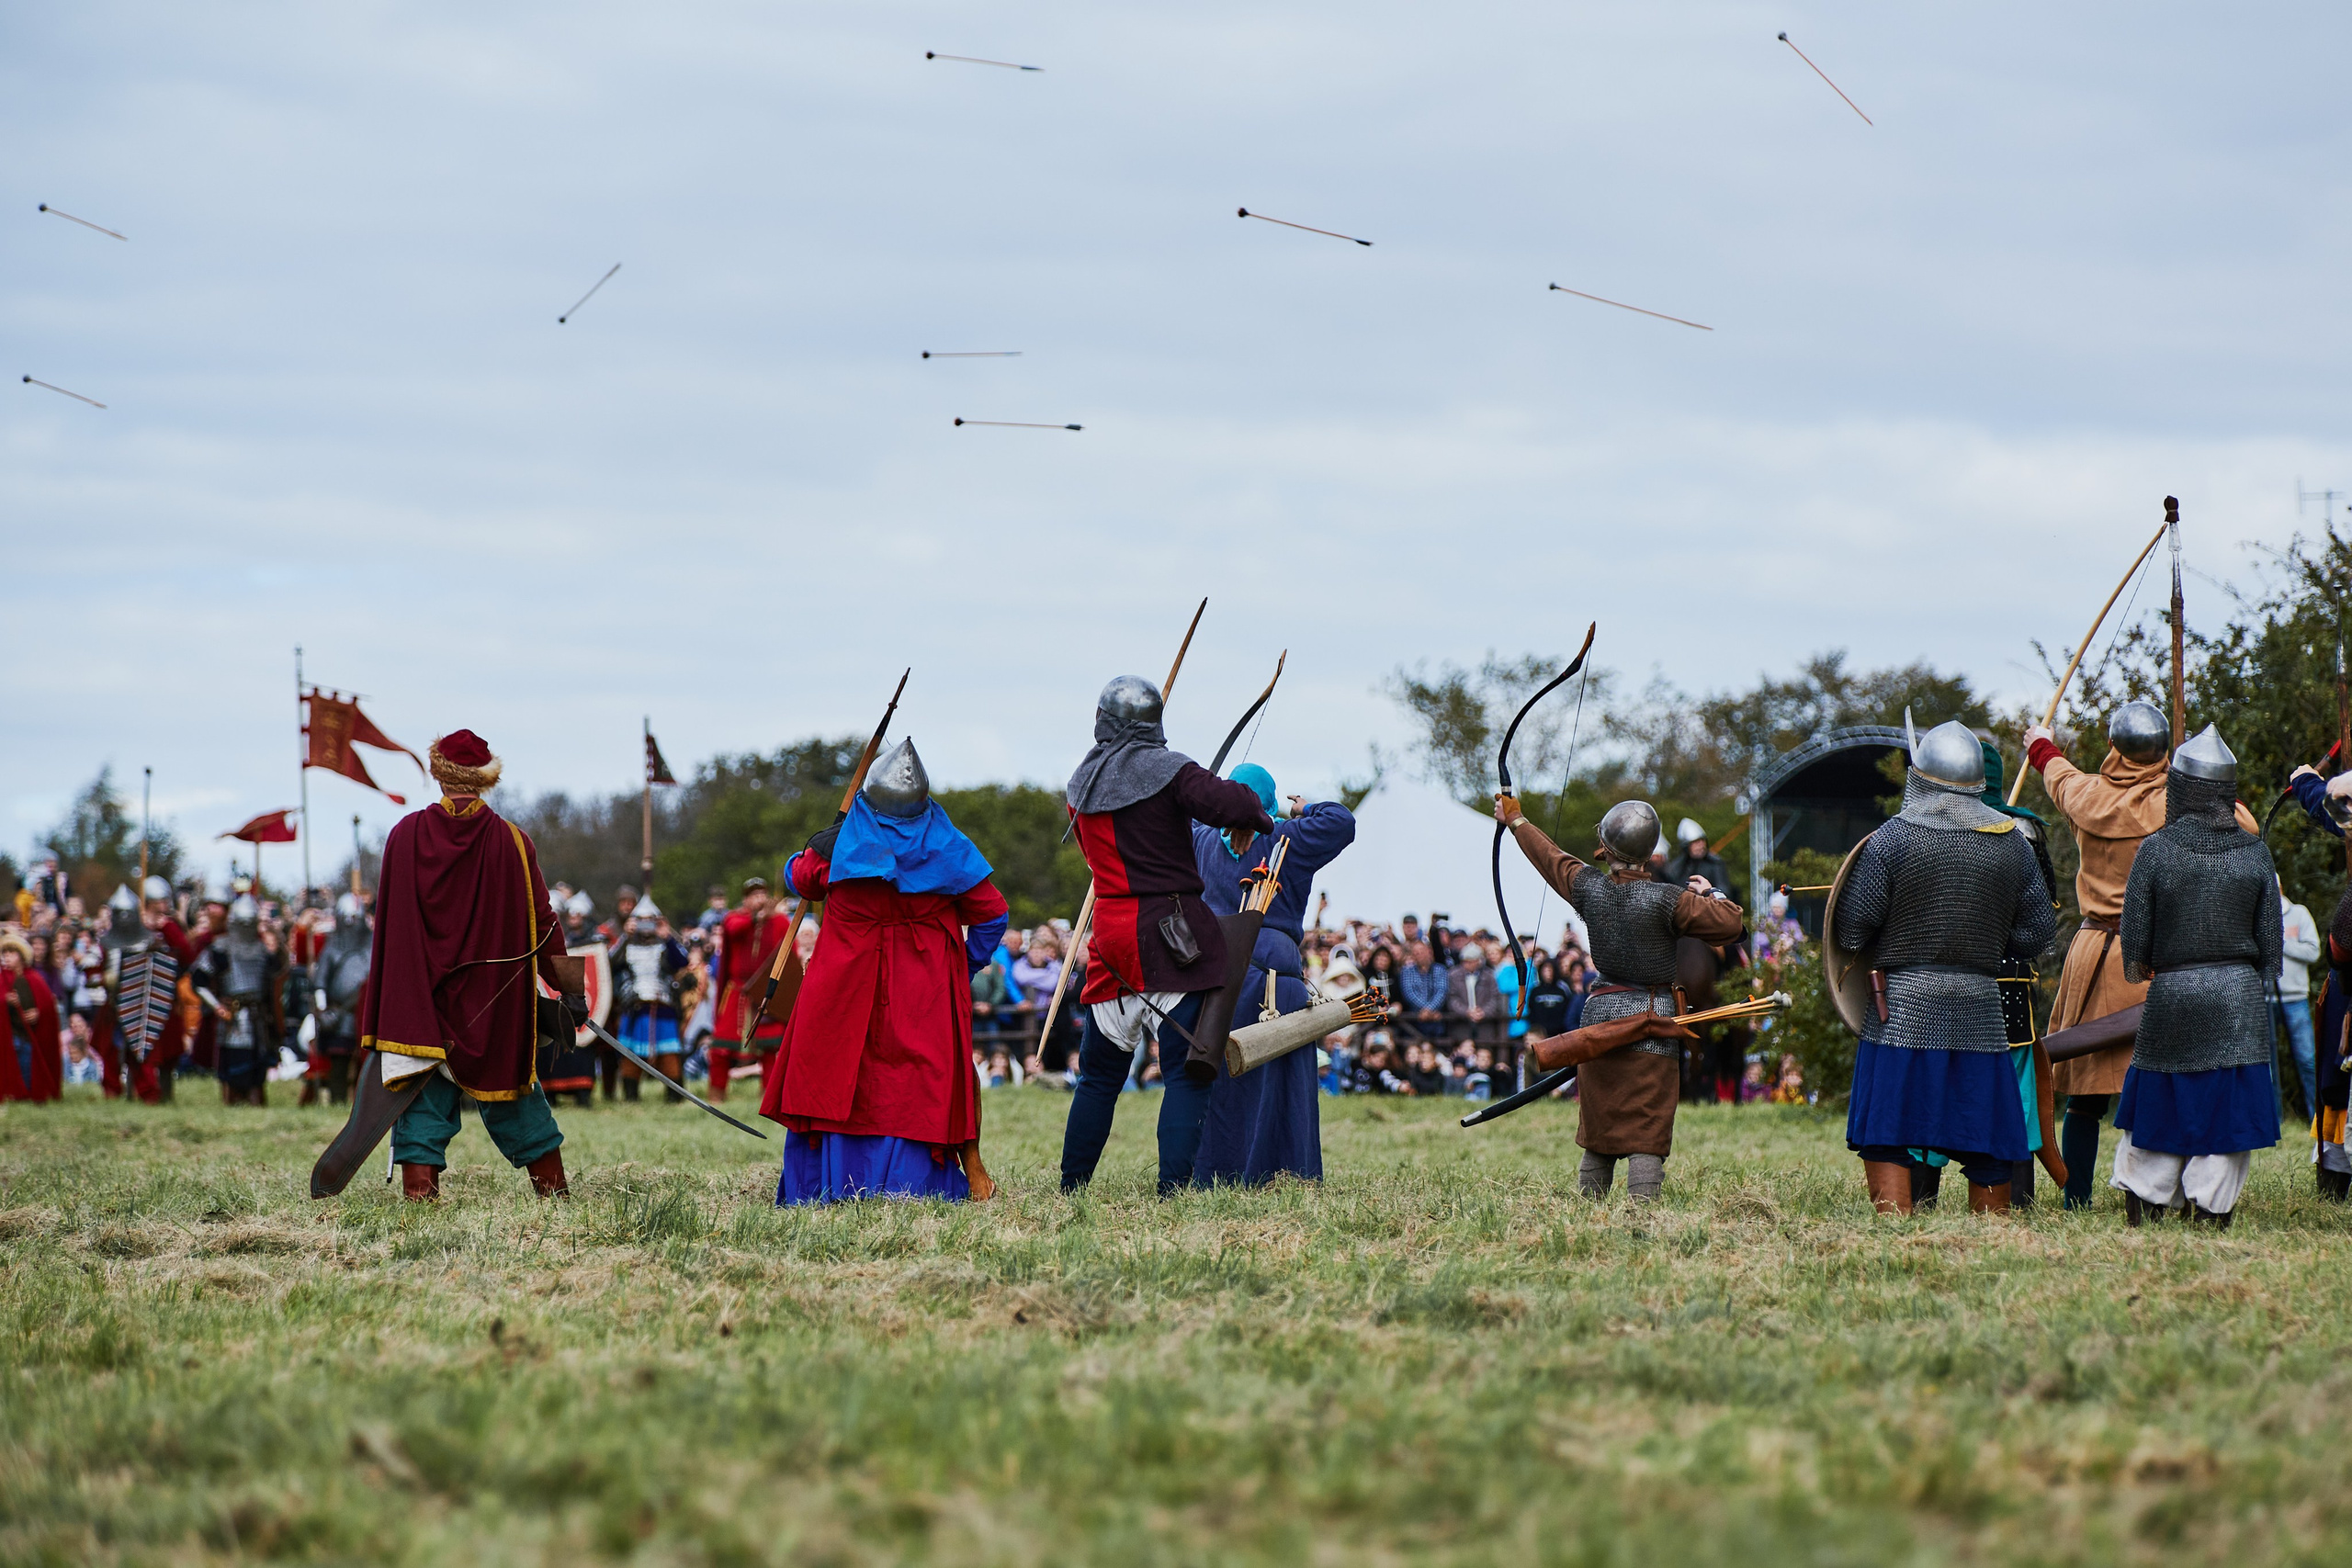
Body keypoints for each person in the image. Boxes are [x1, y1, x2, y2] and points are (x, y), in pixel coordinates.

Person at [761, 739, 1009, 1202]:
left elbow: (799, 876)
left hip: (843, 984)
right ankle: (911, 1187)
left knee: (844, 1075)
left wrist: (815, 847)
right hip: (924, 987)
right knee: (914, 1081)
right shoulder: (947, 846)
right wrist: (961, 965)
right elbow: (993, 915)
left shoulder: (838, 848)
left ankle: (832, 1185)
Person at [1057, 674, 1272, 1195]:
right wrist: (1252, 818)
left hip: (1111, 934)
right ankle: (1172, 1191)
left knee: (1098, 1078)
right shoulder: (1169, 770)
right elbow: (1241, 805)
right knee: (1186, 1073)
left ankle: (1072, 1187)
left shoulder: (1081, 782)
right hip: (1171, 935)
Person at [1837, 716, 2056, 1215]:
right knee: (1988, 1134)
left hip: (1903, 1005)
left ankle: (1894, 1227)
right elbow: (2037, 933)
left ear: (1921, 777)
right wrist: (1990, 934)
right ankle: (1991, 1232)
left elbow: (1851, 933)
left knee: (1889, 1130)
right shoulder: (2012, 844)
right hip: (1979, 1004)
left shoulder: (1893, 839)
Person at [1494, 793, 1745, 1201]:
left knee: (1600, 1128)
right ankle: (1642, 1216)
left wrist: (1517, 819)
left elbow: (1550, 857)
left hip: (1601, 1019)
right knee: (1647, 1129)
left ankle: (1588, 1213)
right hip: (1654, 1018)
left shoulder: (1589, 887)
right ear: (1649, 853)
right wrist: (1711, 893)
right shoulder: (1669, 898)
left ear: (1605, 849)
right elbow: (1732, 924)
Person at [363, 730, 581, 1201]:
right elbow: (544, 923)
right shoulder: (513, 841)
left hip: (423, 1003)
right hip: (493, 1004)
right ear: (485, 779)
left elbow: (391, 927)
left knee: (422, 1102)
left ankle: (420, 1204)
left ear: (438, 775)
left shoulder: (404, 836)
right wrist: (571, 989)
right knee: (515, 1096)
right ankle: (555, 1198)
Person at [2107, 727, 2280, 1226]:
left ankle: (2147, 1202)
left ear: (2180, 788)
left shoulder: (2157, 850)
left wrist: (2147, 967)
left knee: (2162, 1103)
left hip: (2175, 993)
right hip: (2236, 996)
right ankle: (2210, 1209)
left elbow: (2135, 942)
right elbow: (2270, 947)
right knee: (2225, 1110)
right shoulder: (2254, 852)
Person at [2023, 701, 2192, 1207]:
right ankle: (2157, 1195)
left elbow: (2057, 773)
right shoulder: (2181, 802)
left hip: (2098, 952)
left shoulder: (2086, 795)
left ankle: (2077, 1198)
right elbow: (2241, 825)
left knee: (2086, 1094)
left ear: (2114, 747)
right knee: (2162, 1080)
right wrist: (2194, 777)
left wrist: (2040, 744)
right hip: (2158, 955)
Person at [1187, 764, 1357, 1186]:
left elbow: (1182, 818)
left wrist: (1209, 799)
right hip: (1274, 979)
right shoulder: (1285, 837)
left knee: (1224, 1077)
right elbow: (1341, 821)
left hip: (1217, 973)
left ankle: (1218, 1173)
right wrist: (1303, 808)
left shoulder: (1202, 838)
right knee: (1280, 1079)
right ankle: (1284, 1171)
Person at [189, 893, 287, 1107]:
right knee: (233, 1067)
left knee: (257, 1069)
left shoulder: (263, 950)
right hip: (233, 1016)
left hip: (259, 1017)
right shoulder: (220, 948)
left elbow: (280, 974)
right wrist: (217, 1006)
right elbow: (198, 981)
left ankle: (255, 1105)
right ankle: (233, 1105)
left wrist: (277, 939)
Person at [710, 878, 789, 1101]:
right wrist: (757, 918)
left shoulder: (780, 921)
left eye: (762, 894)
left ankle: (768, 1098)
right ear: (745, 899)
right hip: (738, 991)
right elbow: (734, 930)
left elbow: (788, 953)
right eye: (754, 895)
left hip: (766, 992)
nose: (759, 899)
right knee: (720, 1048)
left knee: (770, 1048)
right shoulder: (734, 918)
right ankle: (716, 1096)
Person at [612, 897, 690, 1102]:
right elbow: (609, 964)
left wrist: (668, 937)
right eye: (641, 919)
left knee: (669, 1053)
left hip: (662, 1004)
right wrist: (624, 937)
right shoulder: (627, 944)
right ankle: (631, 1097)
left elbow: (683, 962)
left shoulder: (664, 944)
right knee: (631, 1054)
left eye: (650, 919)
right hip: (634, 1006)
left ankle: (674, 1097)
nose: (645, 924)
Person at [308, 892, 373, 1105]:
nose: (351, 924)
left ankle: (366, 1104)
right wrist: (322, 1009)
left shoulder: (374, 945)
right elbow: (320, 982)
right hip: (341, 1013)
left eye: (355, 918)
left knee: (368, 1062)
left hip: (368, 1011)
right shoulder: (333, 946)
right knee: (339, 1062)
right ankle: (338, 1101)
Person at [2272, 879, 2321, 1122]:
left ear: (2280, 889)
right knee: (2267, 1064)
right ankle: (2274, 1120)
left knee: (2307, 1060)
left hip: (2295, 999)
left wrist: (2281, 943)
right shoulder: (2255, 915)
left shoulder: (2299, 914)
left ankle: (2317, 1119)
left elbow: (2313, 951)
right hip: (2264, 999)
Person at [0, 933, 62, 1102]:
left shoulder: (33, 977)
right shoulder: (3, 979)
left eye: (11, 953)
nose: (7, 957)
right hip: (10, 1032)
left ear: (21, 956)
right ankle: (14, 1093)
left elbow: (47, 1004)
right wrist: (5, 1000)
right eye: (5, 954)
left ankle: (28, 1093)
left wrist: (38, 1012)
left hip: (29, 1034)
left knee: (28, 1064)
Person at [1395, 940, 1447, 1046]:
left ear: (1429, 951)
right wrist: (1425, 1009)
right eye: (1416, 953)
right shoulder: (1407, 971)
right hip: (1415, 1018)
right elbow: (1409, 993)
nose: (1419, 955)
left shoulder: (1440, 970)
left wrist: (1429, 1009)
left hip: (1436, 1018)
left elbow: (1441, 991)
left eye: (1421, 952)